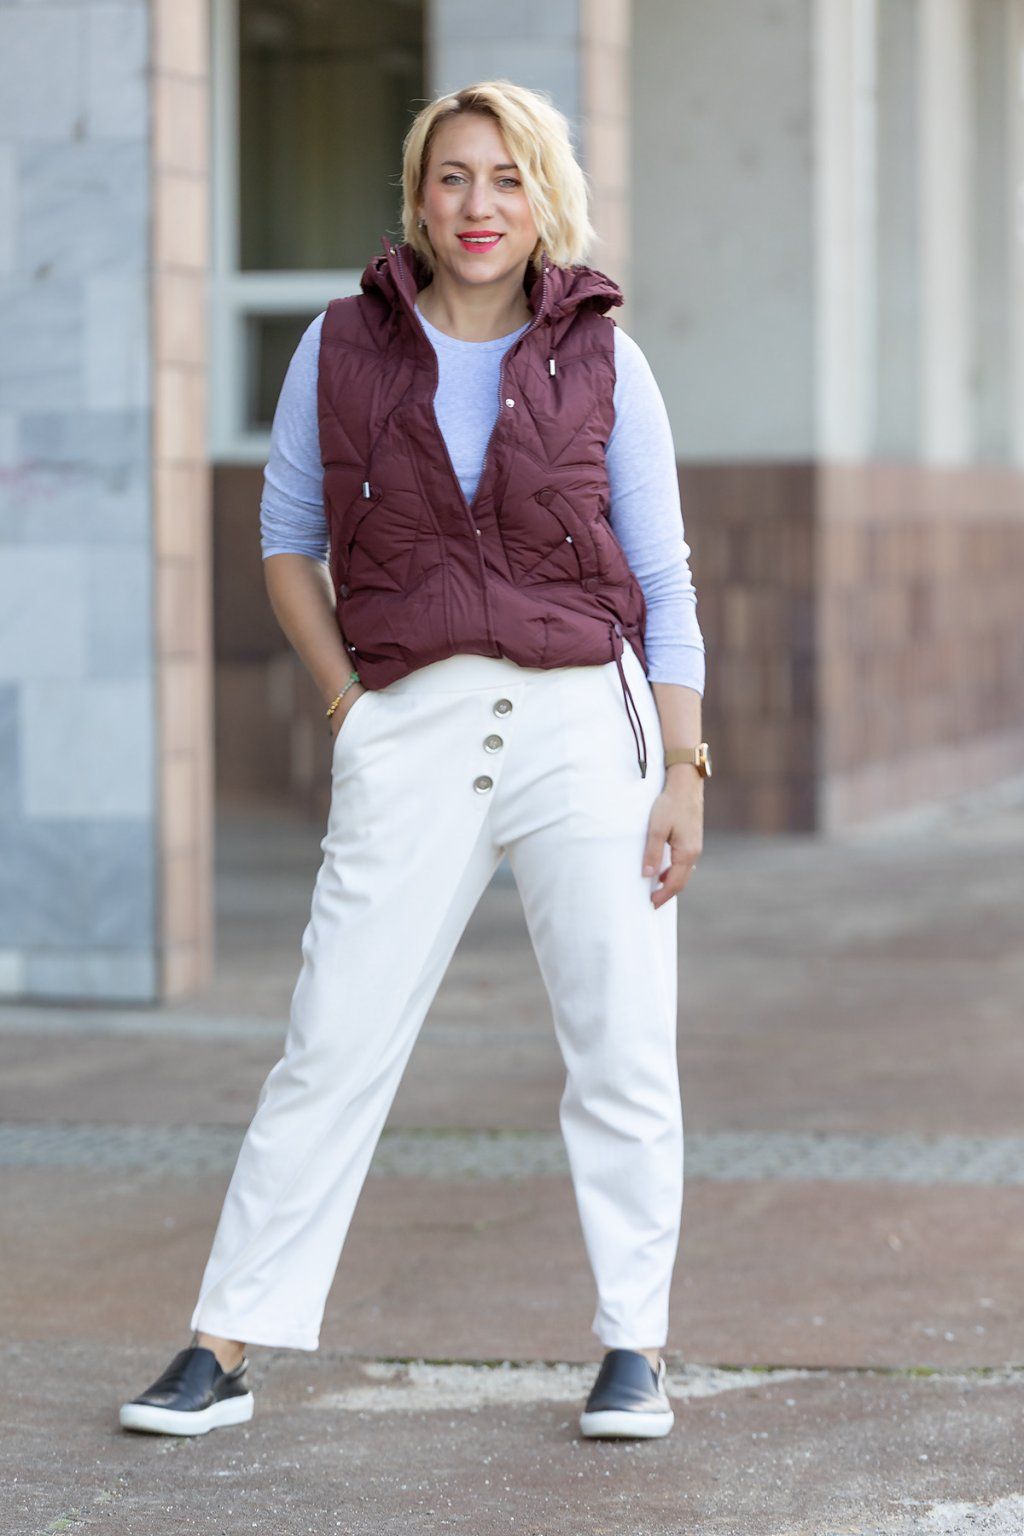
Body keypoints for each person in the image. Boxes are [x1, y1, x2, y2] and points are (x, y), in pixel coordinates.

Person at [119, 79, 709, 1444]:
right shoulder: (341, 347)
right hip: (412, 722)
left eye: (506, 177)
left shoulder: (607, 362)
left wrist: (684, 767)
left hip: (586, 723)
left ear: (544, 197)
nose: (478, 204)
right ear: (419, 198)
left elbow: (667, 582)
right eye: (453, 177)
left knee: (621, 1042)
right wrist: (350, 707)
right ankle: (224, 1342)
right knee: (332, 1038)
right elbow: (286, 541)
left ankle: (634, 1348)